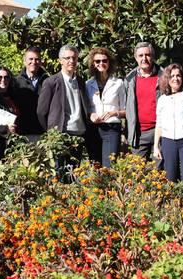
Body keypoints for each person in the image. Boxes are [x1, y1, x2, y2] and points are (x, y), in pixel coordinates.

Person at [123, 42, 183, 166]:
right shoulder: (129, 79)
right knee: (136, 171)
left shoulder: (164, 76)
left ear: (152, 56)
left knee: (160, 172)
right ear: (136, 58)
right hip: (139, 132)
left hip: (162, 131)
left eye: (147, 55)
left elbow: (178, 88)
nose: (144, 58)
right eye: (140, 55)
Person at [37, 45, 100, 179]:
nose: (71, 61)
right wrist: (51, 130)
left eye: (74, 58)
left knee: (73, 175)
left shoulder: (81, 82)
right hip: (59, 134)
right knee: (58, 174)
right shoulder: (51, 82)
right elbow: (41, 112)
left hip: (78, 133)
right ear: (60, 60)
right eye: (67, 58)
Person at [153, 63, 183, 185]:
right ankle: (173, 204)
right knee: (170, 179)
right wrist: (156, 146)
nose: (175, 78)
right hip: (168, 142)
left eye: (178, 75)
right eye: (172, 76)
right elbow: (159, 124)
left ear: (182, 78)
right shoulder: (162, 100)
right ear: (167, 79)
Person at [86, 47, 125, 167]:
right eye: (97, 61)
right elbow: (85, 108)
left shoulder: (118, 83)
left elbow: (126, 110)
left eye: (104, 60)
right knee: (95, 165)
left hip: (111, 128)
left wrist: (114, 113)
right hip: (94, 129)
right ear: (93, 64)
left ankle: (110, 186)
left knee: (110, 165)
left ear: (109, 62)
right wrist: (90, 115)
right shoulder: (88, 84)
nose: (101, 63)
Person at [15, 46, 49, 142]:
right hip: (23, 133)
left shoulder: (48, 81)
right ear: (24, 61)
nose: (33, 62)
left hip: (44, 133)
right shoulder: (16, 83)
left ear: (41, 62)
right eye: (30, 59)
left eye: (37, 59)